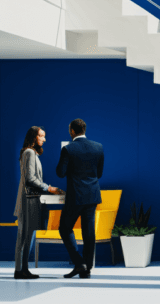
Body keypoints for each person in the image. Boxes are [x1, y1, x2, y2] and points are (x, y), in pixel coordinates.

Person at [56, 119, 104, 279]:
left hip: (75, 196)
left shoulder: (67, 149)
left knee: (64, 228)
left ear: (72, 131)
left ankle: (79, 262)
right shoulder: (98, 147)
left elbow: (60, 173)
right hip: (92, 195)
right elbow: (99, 174)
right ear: (84, 129)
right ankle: (87, 269)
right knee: (89, 233)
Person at [14, 126, 61, 279]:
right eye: (41, 136)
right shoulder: (29, 153)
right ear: (34, 137)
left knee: (27, 236)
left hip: (30, 199)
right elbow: (30, 179)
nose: (44, 139)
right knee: (24, 236)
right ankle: (20, 270)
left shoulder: (31, 153)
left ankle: (23, 269)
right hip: (28, 201)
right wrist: (50, 188)